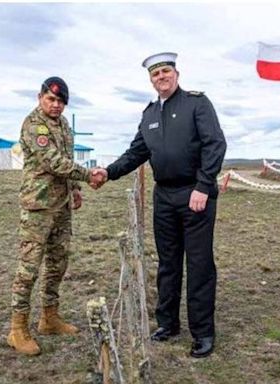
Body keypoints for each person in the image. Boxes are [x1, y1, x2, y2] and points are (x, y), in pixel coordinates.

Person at [92, 52, 227, 358]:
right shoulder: (150, 113)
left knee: (199, 265)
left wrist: (203, 186)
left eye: (166, 71)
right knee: (167, 263)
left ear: (176, 73)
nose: (161, 77)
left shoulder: (197, 103)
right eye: (155, 74)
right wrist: (108, 172)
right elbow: (136, 152)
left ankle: (203, 332)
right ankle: (168, 324)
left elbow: (215, 144)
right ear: (150, 80)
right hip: (164, 197)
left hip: (195, 195)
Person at [7, 76, 104, 355]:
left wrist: (74, 189)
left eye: (61, 101)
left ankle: (49, 317)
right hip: (38, 207)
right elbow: (54, 162)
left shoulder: (62, 125)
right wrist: (88, 175)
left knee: (57, 263)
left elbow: (66, 157)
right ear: (40, 97)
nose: (56, 105)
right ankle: (18, 329)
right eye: (51, 99)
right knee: (28, 269)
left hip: (60, 206)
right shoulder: (33, 125)